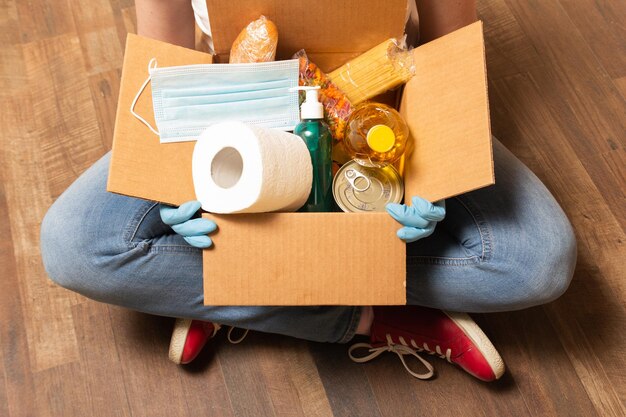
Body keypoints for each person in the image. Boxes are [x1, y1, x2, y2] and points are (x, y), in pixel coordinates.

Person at [39, 0, 577, 382]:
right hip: (234, 97)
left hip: (379, 105)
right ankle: (370, 316)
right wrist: (173, 177)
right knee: (75, 245)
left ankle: (234, 288)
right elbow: (168, 57)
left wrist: (438, 166)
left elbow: (448, 50)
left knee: (537, 261)